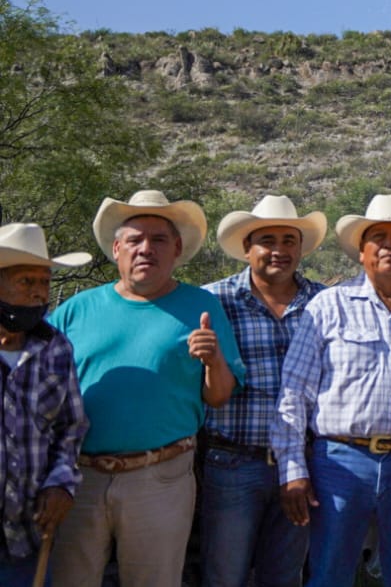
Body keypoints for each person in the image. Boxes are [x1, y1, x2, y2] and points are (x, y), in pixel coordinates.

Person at [50, 189, 244, 587]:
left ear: (176, 249)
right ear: (117, 249)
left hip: (161, 476)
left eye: (158, 240)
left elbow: (219, 395)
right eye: (135, 240)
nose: (146, 249)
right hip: (80, 477)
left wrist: (214, 360)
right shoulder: (77, 309)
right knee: (71, 580)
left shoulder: (201, 306)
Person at [273, 192, 391, 587]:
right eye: (378, 236)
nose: (389, 244)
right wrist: (293, 467)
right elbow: (294, 391)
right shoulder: (327, 306)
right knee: (329, 573)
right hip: (338, 462)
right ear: (361, 252)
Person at [201, 194, 327, 587]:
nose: (279, 251)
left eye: (289, 241)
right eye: (267, 240)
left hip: (303, 464)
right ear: (246, 248)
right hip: (232, 461)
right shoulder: (214, 300)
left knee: (285, 574)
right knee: (225, 574)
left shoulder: (325, 302)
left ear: (300, 248)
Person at [0, 223, 90, 587]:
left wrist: (61, 483)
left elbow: (71, 427)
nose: (39, 294)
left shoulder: (56, 348)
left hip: (26, 537)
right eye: (26, 282)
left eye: (45, 282)